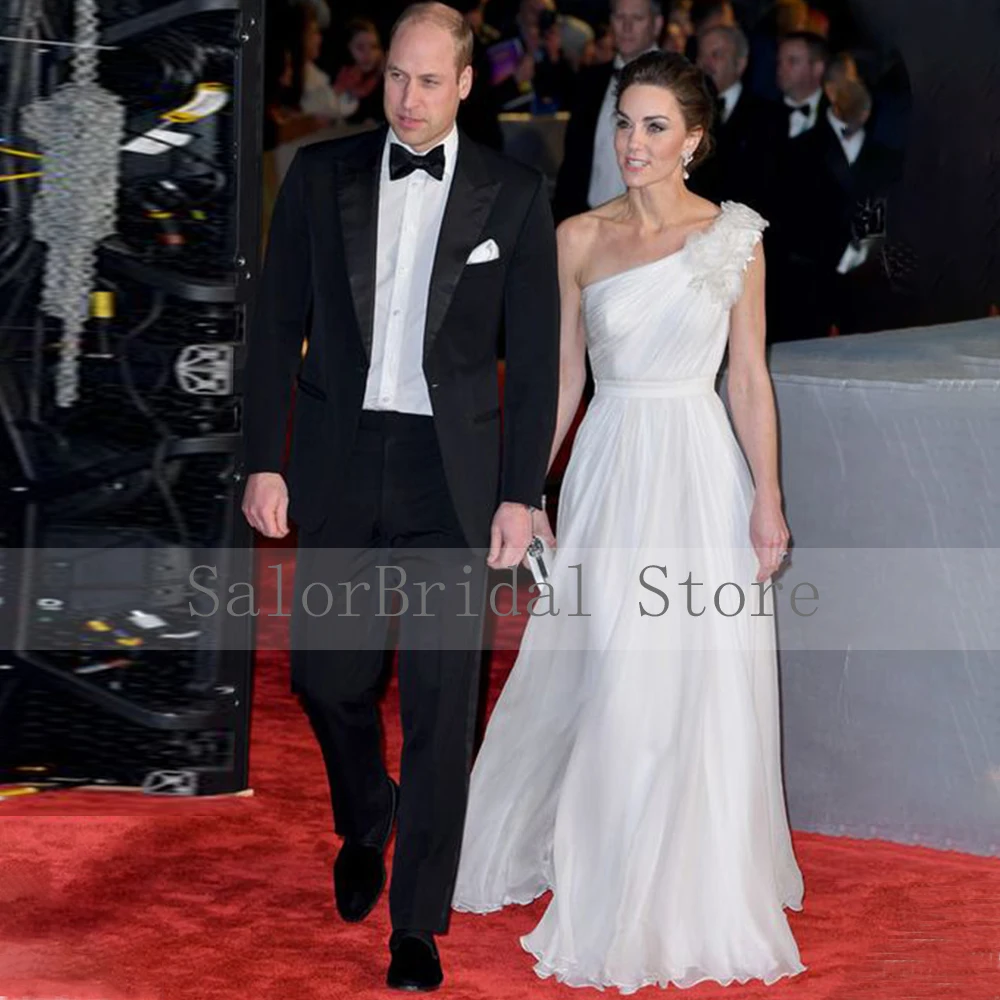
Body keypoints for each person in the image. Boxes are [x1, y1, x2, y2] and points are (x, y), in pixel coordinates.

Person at [452, 50, 805, 989]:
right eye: (623, 124)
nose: (634, 143)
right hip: (610, 471)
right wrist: (526, 490)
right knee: (609, 669)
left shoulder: (734, 237)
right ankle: (601, 858)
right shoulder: (576, 238)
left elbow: (749, 379)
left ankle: (676, 877)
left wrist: (767, 497)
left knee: (690, 681)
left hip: (699, 473)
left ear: (692, 138)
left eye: (655, 127)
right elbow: (563, 383)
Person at [240, 2, 560, 991]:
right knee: (324, 681)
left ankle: (416, 920)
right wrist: (264, 457)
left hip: (449, 476)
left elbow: (538, 354)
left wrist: (522, 493)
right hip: (340, 456)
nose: (409, 99)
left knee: (437, 703)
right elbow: (273, 320)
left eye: (430, 81)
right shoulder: (319, 175)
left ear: (468, 83)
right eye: (397, 79)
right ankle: (367, 812)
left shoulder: (511, 194)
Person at [551, 0, 663, 222]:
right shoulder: (590, 81)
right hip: (588, 223)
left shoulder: (681, 86)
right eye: (620, 17)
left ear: (656, 24)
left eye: (637, 18)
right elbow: (573, 163)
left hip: (655, 229)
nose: (627, 27)